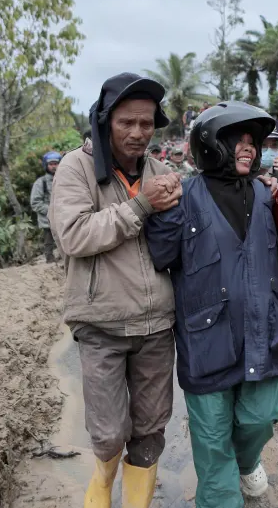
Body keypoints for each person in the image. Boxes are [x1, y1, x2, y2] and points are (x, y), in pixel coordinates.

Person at [144, 101, 278, 508]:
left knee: (261, 417)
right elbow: (160, 256)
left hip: (263, 334)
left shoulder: (269, 199)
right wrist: (158, 210)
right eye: (238, 139)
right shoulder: (183, 197)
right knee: (213, 447)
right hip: (206, 341)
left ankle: (246, 460)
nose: (249, 147)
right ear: (212, 143)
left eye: (253, 141)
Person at [48, 72, 184, 508]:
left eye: (146, 124)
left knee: (150, 430)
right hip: (101, 323)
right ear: (105, 121)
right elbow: (74, 235)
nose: (138, 133)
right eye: (127, 122)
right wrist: (143, 205)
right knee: (108, 434)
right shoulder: (76, 167)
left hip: (157, 324)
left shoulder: (162, 171)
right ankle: (102, 482)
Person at [30, 151, 61, 263]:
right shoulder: (40, 183)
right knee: (49, 242)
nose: (53, 166)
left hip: (64, 219)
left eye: (56, 163)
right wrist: (52, 211)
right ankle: (50, 262)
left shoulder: (66, 179)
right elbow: (35, 203)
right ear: (46, 165)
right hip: (47, 220)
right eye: (51, 164)